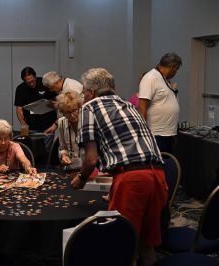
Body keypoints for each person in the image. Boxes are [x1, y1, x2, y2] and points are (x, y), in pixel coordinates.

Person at [71, 68, 168, 266]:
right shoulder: (128, 105)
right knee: (146, 245)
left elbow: (90, 159)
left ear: (90, 92)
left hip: (133, 181)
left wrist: (81, 179)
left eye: (83, 92)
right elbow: (129, 152)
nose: (83, 96)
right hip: (157, 175)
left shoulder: (89, 108)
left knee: (122, 245)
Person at [139, 52, 182, 153]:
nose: (176, 73)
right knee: (156, 166)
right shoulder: (151, 78)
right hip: (156, 135)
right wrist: (144, 135)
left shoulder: (164, 79)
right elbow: (142, 108)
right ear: (172, 67)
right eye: (176, 70)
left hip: (167, 134)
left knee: (165, 164)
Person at [14, 66, 58, 134]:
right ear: (24, 81)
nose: (31, 84)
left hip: (48, 122)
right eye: (28, 82)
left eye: (32, 81)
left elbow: (56, 100)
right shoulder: (20, 89)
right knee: (32, 144)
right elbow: (19, 109)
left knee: (47, 144)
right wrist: (23, 124)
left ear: (35, 77)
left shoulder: (44, 83)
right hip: (31, 125)